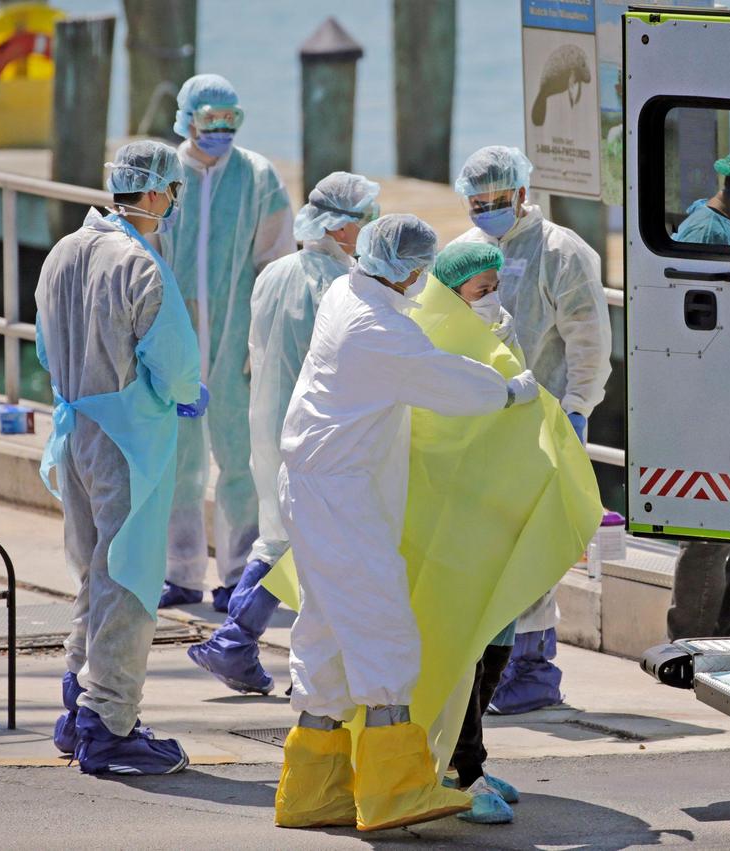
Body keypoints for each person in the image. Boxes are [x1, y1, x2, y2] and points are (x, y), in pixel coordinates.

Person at [274, 214, 540, 831]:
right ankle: (398, 789)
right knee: (381, 626)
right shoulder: (377, 329)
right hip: (341, 495)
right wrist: (509, 390)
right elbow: (442, 381)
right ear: (413, 271)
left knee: (326, 633)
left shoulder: (348, 292)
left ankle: (312, 789)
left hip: (320, 485)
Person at [36, 141, 202, 775]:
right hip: (129, 441)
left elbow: (48, 353)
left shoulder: (62, 253)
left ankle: (78, 701)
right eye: (174, 193)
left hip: (73, 430)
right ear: (157, 193)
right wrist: (185, 395)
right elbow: (177, 365)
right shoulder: (139, 264)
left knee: (91, 572)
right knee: (129, 580)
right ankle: (109, 725)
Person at [186, 172, 380, 694]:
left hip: (269, 422)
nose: (371, 227)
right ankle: (312, 670)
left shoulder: (275, 273)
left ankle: (235, 641)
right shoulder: (341, 286)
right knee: (319, 543)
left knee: (279, 535)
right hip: (320, 431)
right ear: (341, 228)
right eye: (364, 218)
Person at [453, 145, 611, 714]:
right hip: (483, 423)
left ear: (522, 192)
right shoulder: (466, 251)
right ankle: (504, 662)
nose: (488, 209)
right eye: (478, 202)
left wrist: (577, 406)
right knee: (493, 543)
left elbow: (588, 339)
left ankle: (535, 667)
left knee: (536, 544)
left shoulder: (561, 252)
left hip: (545, 419)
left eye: (498, 199)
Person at [157, 73, 296, 612]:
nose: (219, 130)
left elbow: (277, 263)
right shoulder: (165, 174)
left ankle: (239, 572)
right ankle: (180, 572)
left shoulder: (258, 177)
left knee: (245, 461)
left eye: (230, 120)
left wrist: (261, 344)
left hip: (238, 343)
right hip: (176, 343)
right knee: (177, 463)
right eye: (210, 119)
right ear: (187, 117)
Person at [431, 242, 524, 825]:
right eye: (480, 292)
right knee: (463, 647)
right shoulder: (430, 338)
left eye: (495, 289)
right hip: (453, 514)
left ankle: (465, 757)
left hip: (494, 503)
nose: (491, 301)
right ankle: (466, 770)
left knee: (498, 639)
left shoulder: (499, 331)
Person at [666, 142, 730, 641]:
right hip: (710, 398)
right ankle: (693, 637)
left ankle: (728, 627)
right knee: (708, 528)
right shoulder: (708, 231)